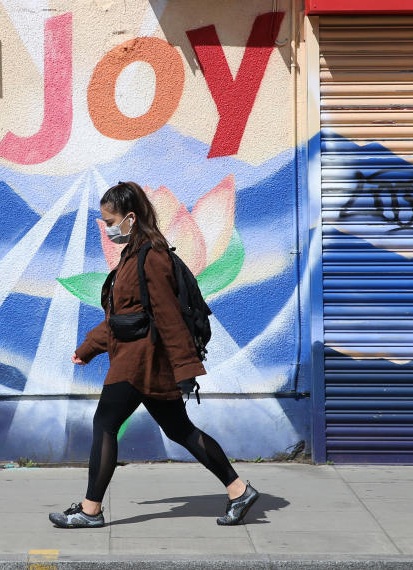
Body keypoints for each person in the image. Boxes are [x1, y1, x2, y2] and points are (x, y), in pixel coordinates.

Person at [48, 181, 259, 529]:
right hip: (140, 360)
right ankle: (240, 490)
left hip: (140, 363)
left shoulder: (152, 257)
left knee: (105, 424)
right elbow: (126, 315)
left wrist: (186, 368)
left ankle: (90, 510)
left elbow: (167, 316)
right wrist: (89, 348)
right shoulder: (132, 255)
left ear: (130, 218)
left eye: (110, 220)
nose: (107, 227)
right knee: (181, 430)